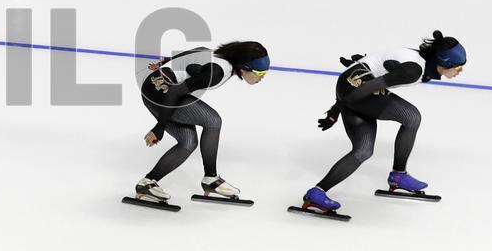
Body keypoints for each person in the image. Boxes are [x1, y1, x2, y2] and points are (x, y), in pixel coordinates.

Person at [298, 30, 466, 214]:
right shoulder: (414, 70)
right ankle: (398, 176)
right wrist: (336, 110)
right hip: (358, 89)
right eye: (458, 67)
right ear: (444, 62)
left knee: (363, 151)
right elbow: (371, 86)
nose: (460, 71)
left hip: (351, 83)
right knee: (412, 117)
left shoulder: (419, 61)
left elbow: (379, 63)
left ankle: (316, 192)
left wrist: (356, 68)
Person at [131, 41, 270, 206]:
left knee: (188, 142)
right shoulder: (217, 72)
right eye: (259, 72)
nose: (262, 77)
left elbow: (196, 51)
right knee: (213, 121)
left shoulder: (217, 56)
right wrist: (159, 128)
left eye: (266, 72)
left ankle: (147, 183)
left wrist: (164, 62)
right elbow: (175, 91)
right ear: (244, 66)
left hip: (152, 88)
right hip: (162, 94)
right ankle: (211, 178)